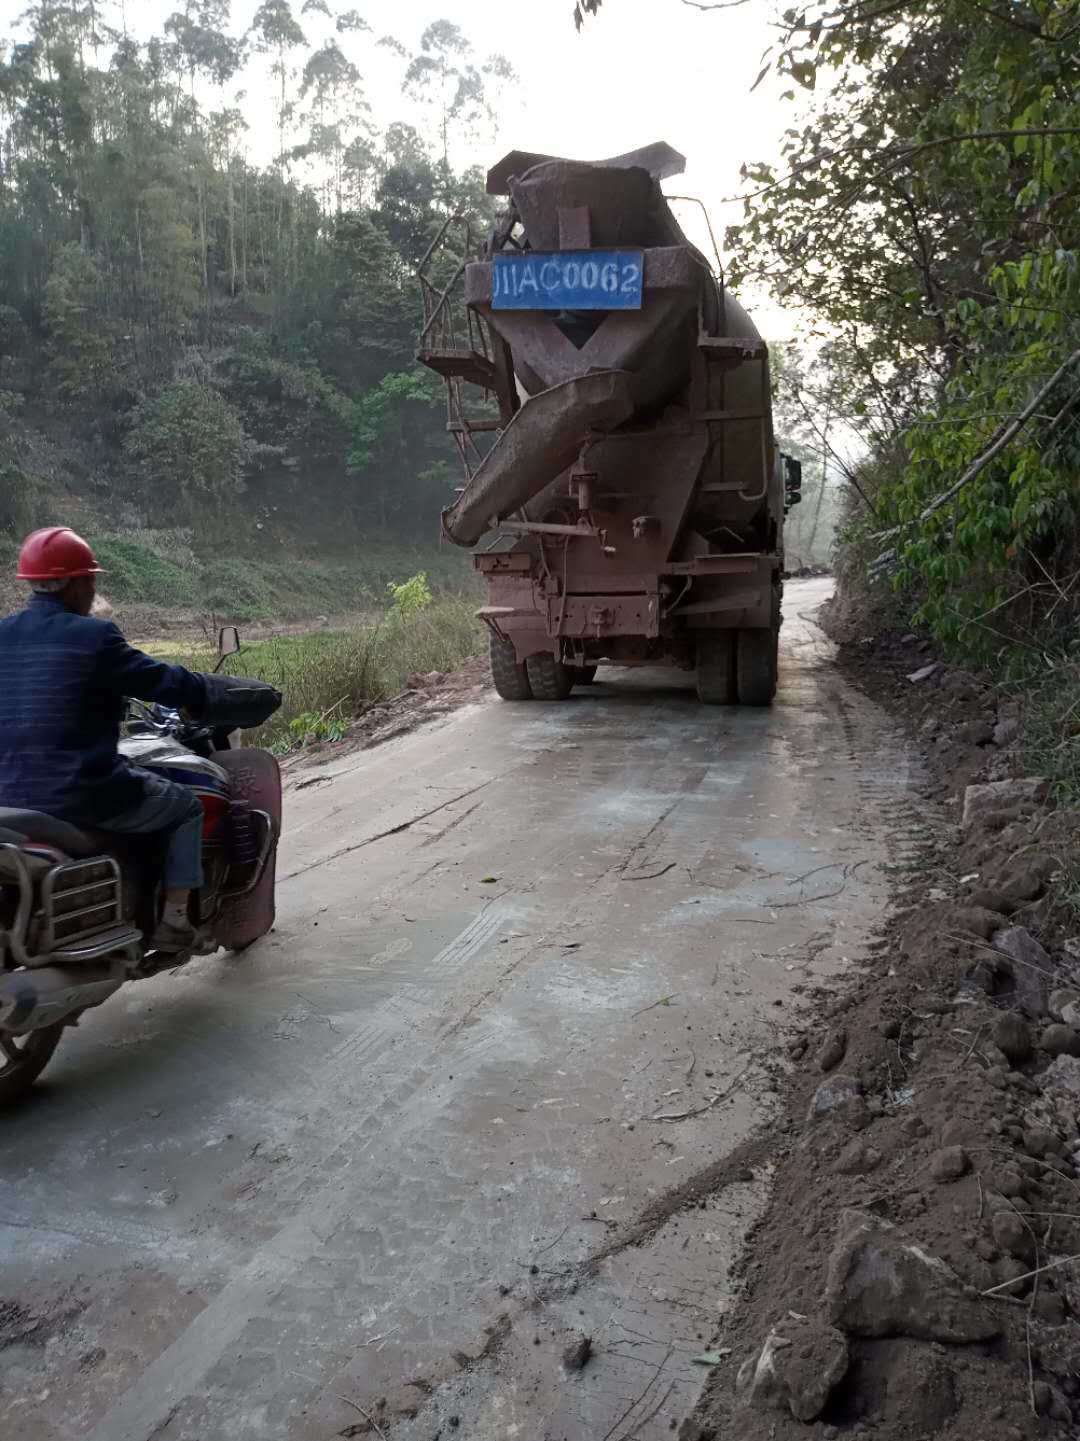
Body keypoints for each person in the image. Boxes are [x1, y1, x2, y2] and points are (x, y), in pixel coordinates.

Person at [0, 526, 208, 952]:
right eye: (91, 580)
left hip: (8, 796)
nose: (93, 590)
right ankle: (174, 921)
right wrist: (203, 691)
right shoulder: (95, 637)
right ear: (78, 584)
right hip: (78, 794)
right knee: (186, 806)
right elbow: (160, 681)